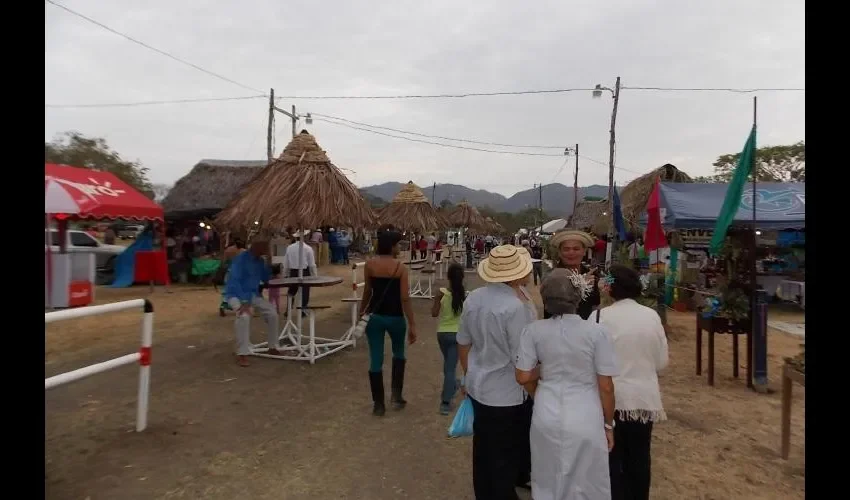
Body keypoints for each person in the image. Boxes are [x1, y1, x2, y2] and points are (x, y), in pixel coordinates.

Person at [515, 268, 620, 500]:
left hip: (546, 410)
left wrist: (541, 387)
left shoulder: (533, 331)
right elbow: (606, 387)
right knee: (587, 480)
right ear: (578, 296)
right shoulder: (597, 333)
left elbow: (523, 377)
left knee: (547, 477)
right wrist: (609, 425)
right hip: (586, 413)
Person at [457, 245, 537, 499]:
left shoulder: (475, 297)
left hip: (480, 385)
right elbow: (520, 356)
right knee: (504, 456)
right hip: (505, 392)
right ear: (516, 275)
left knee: (483, 452)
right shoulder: (513, 307)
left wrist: (469, 375)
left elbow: (463, 341)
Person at [597, 265, 668, 500]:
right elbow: (661, 362)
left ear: (609, 289)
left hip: (609, 401)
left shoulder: (598, 317)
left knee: (610, 459)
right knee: (639, 458)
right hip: (642, 401)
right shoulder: (651, 316)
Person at [358, 230, 418, 417]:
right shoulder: (400, 268)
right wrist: (412, 323)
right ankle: (396, 396)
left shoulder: (370, 265)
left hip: (374, 317)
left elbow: (367, 291)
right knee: (398, 354)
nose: (399, 247)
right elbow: (404, 298)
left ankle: (378, 404)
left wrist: (362, 310)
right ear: (391, 246)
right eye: (398, 244)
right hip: (395, 318)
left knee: (375, 359)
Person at [224, 238, 282, 366]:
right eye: (265, 247)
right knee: (244, 316)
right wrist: (244, 301)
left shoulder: (260, 261)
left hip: (253, 295)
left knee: (272, 313)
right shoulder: (240, 260)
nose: (267, 249)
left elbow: (265, 278)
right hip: (236, 295)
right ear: (257, 247)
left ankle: (272, 346)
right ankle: (242, 353)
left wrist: (270, 263)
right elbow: (234, 282)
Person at [431, 262, 466, 415]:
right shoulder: (466, 296)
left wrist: (437, 301)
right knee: (450, 367)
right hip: (458, 335)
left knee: (448, 366)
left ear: (448, 277)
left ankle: (451, 386)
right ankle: (446, 401)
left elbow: (434, 313)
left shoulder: (442, 293)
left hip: (443, 334)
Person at [545, 230, 601, 320]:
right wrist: (582, 285)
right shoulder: (552, 276)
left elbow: (595, 305)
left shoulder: (591, 274)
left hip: (586, 329)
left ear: (584, 251)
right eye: (566, 249)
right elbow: (553, 308)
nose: (571, 253)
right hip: (557, 328)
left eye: (576, 249)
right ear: (559, 252)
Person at [283, 232, 318, 314]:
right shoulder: (308, 248)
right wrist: (314, 275)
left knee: (291, 291)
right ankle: (303, 310)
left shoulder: (289, 248)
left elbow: (286, 262)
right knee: (305, 291)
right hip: (304, 271)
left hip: (293, 271)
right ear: (305, 237)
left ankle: (288, 309)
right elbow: (312, 264)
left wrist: (285, 273)